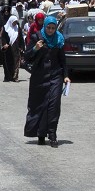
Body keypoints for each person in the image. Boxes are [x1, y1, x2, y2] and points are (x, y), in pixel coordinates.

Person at [23, 14, 70, 146]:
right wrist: (35, 49)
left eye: (53, 28)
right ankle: (41, 134)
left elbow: (63, 60)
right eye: (48, 27)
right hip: (39, 77)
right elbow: (26, 57)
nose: (50, 30)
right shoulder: (36, 38)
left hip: (56, 76)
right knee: (40, 106)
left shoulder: (59, 40)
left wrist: (66, 75)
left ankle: (52, 134)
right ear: (44, 26)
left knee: (54, 106)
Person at [0, 13, 22, 82]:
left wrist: (21, 47)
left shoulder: (18, 28)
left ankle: (15, 77)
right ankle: (8, 77)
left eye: (16, 22)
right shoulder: (5, 28)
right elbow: (2, 37)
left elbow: (20, 38)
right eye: (14, 22)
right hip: (8, 49)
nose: (15, 23)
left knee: (16, 62)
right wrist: (4, 44)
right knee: (8, 63)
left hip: (16, 48)